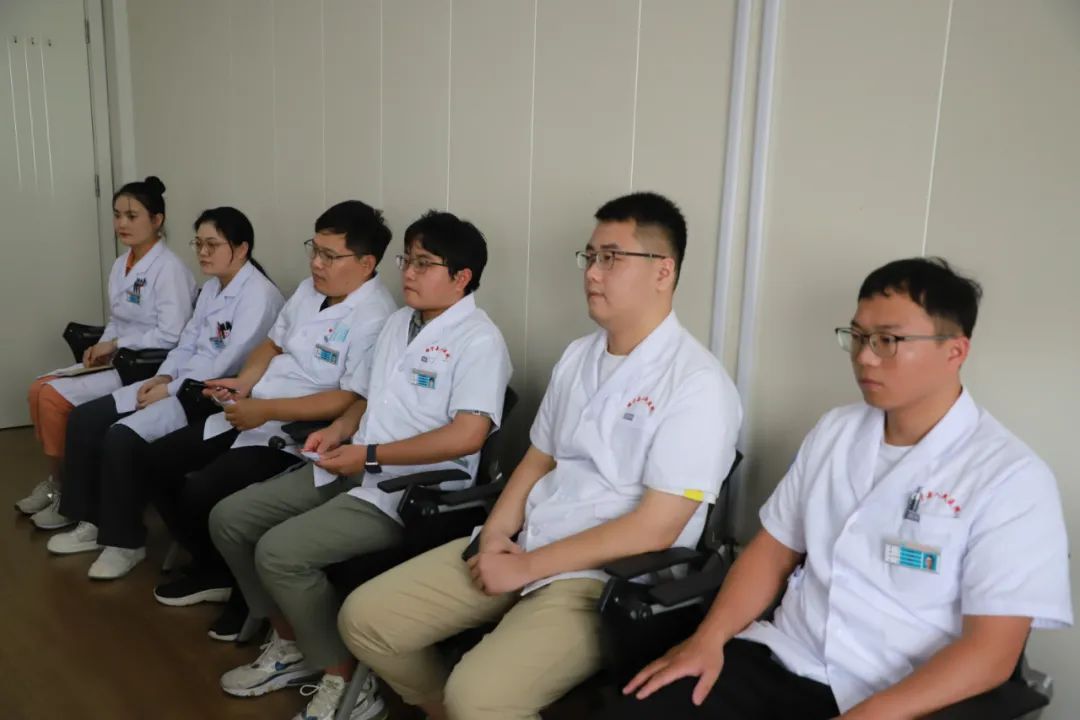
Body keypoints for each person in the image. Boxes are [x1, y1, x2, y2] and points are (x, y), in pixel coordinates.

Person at [611, 258, 1073, 719]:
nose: (865, 357)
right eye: (857, 336)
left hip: (895, 697)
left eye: (888, 340)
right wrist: (707, 640)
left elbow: (991, 653)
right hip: (783, 656)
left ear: (954, 351)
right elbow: (772, 552)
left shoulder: (1011, 478)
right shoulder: (836, 431)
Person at [338, 192, 742, 720]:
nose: (592, 273)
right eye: (590, 256)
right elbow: (537, 459)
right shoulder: (579, 356)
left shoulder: (697, 384)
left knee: (477, 697)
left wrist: (526, 566)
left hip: (600, 580)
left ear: (663, 271)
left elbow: (656, 529)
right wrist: (496, 535)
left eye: (611, 258)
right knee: (364, 619)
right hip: (527, 541)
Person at [209, 210, 512, 720]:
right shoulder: (399, 323)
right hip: (354, 462)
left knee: (280, 553)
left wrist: (368, 454)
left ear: (462, 277)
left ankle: (345, 679)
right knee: (230, 519)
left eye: (424, 264)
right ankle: (293, 645)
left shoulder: (479, 341)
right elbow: (366, 397)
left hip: (408, 490)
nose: (408, 273)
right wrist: (340, 429)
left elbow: (468, 435)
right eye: (406, 260)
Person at [144, 200, 397, 634]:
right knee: (157, 461)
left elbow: (348, 399)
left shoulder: (376, 316)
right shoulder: (309, 290)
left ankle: (244, 596)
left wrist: (265, 409)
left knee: (207, 490)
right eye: (314, 249)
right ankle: (213, 568)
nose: (316, 263)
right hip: (252, 409)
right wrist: (243, 383)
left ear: (366, 263)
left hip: (294, 433)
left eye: (329, 255)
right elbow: (272, 344)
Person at [45, 207, 283, 580]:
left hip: (205, 395)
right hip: (176, 381)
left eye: (212, 244)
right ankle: (92, 520)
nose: (202, 252)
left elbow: (230, 362)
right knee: (84, 419)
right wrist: (163, 377)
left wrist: (170, 388)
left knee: (121, 437)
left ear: (241, 249)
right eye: (198, 243)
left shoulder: (259, 296)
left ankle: (125, 542)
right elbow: (187, 341)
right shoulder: (213, 287)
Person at [18, 176, 195, 530]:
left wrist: (115, 345)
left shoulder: (169, 269)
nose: (121, 224)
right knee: (37, 389)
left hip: (144, 364)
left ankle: (68, 492)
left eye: (132, 216)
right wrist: (101, 347)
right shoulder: (120, 264)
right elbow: (117, 319)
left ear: (157, 220)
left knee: (52, 398)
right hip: (116, 358)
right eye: (117, 215)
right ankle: (57, 482)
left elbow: (172, 333)